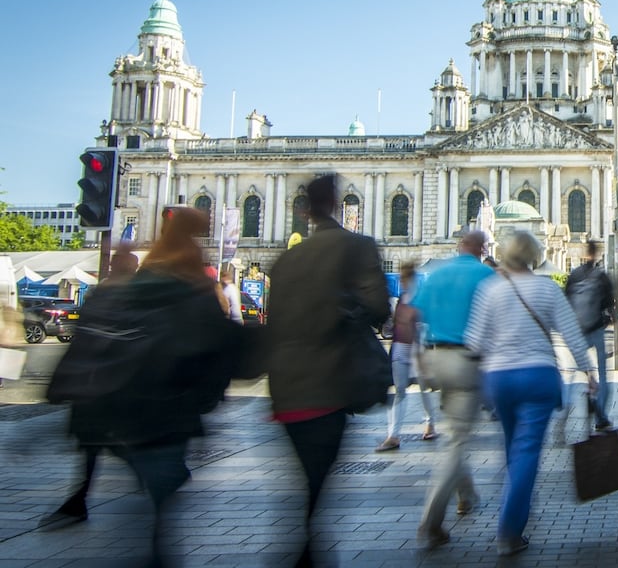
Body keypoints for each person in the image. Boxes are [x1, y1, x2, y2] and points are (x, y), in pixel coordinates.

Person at [47, 208, 239, 563]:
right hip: (171, 404)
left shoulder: (134, 284)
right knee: (159, 489)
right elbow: (220, 344)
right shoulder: (196, 285)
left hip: (128, 398)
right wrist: (209, 394)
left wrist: (65, 382)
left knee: (145, 472)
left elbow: (92, 338)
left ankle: (144, 531)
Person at [266, 175, 389, 567]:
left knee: (307, 471)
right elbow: (378, 310)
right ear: (337, 204)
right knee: (318, 472)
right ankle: (307, 547)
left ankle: (304, 543)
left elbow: (275, 321)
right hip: (333, 379)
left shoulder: (286, 259)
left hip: (285, 386)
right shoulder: (357, 248)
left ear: (304, 210)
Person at [465, 230, 597, 557]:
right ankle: (509, 530)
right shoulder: (545, 287)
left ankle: (514, 504)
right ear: (534, 254)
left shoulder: (490, 288)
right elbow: (571, 334)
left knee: (512, 447)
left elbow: (474, 342)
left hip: (499, 380)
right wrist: (588, 370)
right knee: (526, 452)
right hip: (538, 377)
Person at [39, 242, 140, 530]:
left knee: (96, 441)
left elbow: (88, 340)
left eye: (115, 263)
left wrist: (62, 380)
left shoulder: (108, 294)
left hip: (97, 382)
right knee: (95, 442)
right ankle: (80, 499)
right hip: (106, 382)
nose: (110, 267)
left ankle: (80, 499)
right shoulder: (128, 295)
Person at [413, 230, 495, 550]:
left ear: (460, 245)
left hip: (435, 359)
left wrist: (419, 358)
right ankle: (430, 523)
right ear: (482, 248)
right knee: (456, 440)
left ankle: (466, 494)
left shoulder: (436, 273)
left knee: (454, 430)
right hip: (465, 360)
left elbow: (409, 314)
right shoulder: (486, 276)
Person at [376, 261, 439, 451]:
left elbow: (425, 326)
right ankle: (393, 435)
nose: (402, 281)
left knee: (423, 389)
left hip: (416, 350)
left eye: (405, 277)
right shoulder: (401, 299)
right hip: (399, 349)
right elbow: (394, 325)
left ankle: (430, 423)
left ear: (411, 278)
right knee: (399, 391)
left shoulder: (420, 299)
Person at [564, 240, 614, 429]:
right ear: (598, 253)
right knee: (603, 373)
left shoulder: (574, 274)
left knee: (574, 373)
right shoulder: (601, 276)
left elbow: (566, 301)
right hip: (596, 330)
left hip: (578, 331)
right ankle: (601, 415)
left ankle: (565, 406)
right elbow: (609, 305)